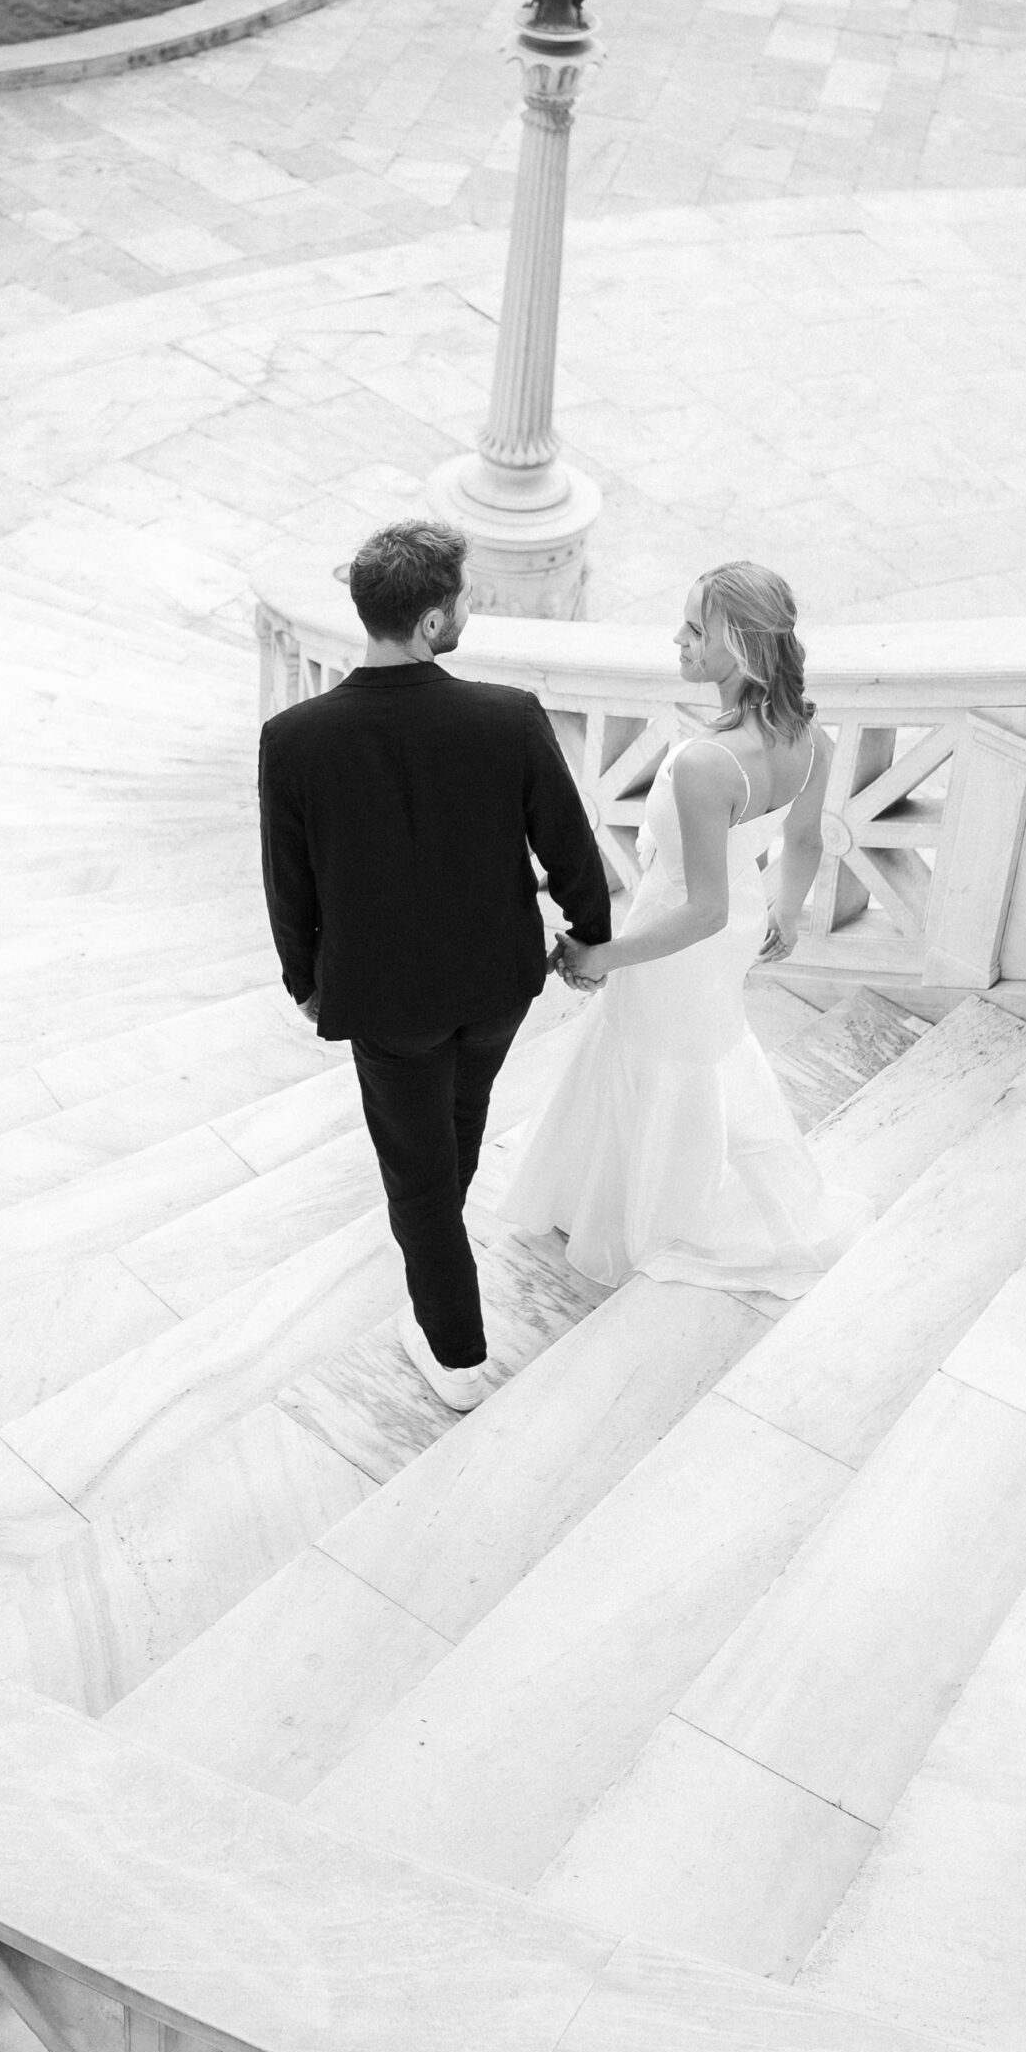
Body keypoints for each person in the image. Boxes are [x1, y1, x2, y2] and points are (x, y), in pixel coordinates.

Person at [258, 520, 612, 1411]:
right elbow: (572, 851)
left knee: (418, 1168)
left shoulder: (294, 739)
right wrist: (589, 939)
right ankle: (442, 1282)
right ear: (426, 622)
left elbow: (287, 883)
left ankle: (452, 1351)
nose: (470, 610)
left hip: (384, 999)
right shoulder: (506, 716)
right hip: (496, 982)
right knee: (452, 1125)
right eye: (459, 599)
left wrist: (304, 981)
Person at [501, 559, 870, 1294]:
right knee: (691, 1051)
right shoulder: (806, 734)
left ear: (736, 643)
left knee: (653, 1052)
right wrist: (785, 913)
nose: (678, 639)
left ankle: (640, 1212)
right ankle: (622, 1192)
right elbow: (801, 841)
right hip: (729, 921)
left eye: (694, 629)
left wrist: (602, 954)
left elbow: (698, 910)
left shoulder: (707, 763)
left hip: (680, 933)